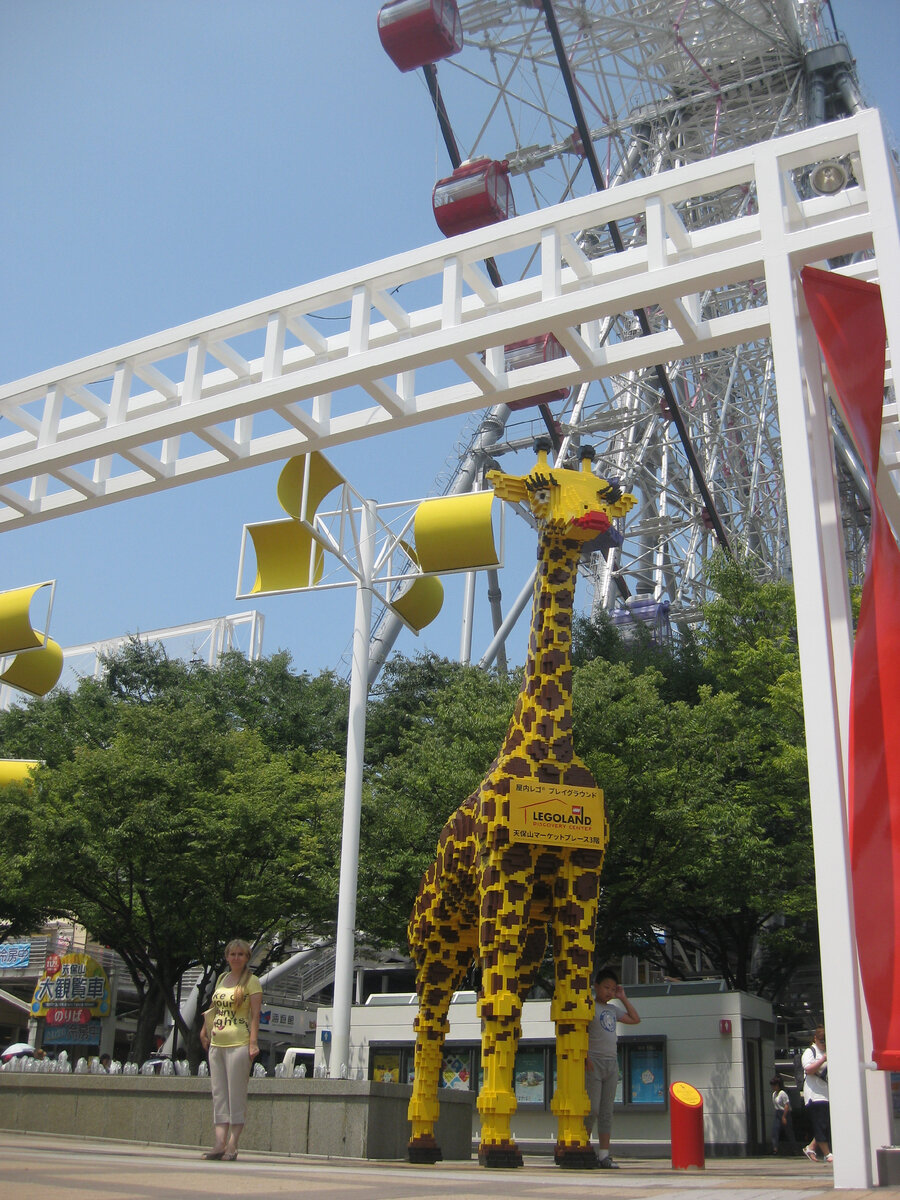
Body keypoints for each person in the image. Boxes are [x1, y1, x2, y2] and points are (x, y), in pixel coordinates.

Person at [199, 938, 262, 1161]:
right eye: (232, 954)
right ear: (227, 957)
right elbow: (214, 1008)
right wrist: (204, 1030)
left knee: (236, 1094)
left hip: (239, 1043)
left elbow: (256, 1015)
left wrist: (253, 1042)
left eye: (240, 954)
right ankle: (219, 1142)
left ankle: (233, 1144)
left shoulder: (252, 982)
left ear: (247, 958)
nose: (236, 958)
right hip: (217, 1042)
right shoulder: (222, 979)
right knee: (219, 1093)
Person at [584, 966, 641, 1168]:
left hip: (611, 1063)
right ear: (596, 986)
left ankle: (604, 1155)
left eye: (613, 989)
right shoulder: (589, 1006)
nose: (609, 992)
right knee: (592, 1109)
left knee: (606, 1111)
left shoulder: (612, 1009)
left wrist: (622, 997)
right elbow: (580, 1033)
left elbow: (635, 1019)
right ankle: (583, 1148)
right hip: (594, 1062)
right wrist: (585, 1057)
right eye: (606, 987)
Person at [801, 1025, 832, 1164]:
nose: (823, 1043)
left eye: (825, 1041)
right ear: (815, 1039)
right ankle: (827, 1154)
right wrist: (822, 1060)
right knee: (820, 1124)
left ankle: (811, 1148)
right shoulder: (810, 1052)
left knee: (825, 1123)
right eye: (821, 1040)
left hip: (826, 1094)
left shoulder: (828, 1051)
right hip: (814, 1094)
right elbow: (808, 1069)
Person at [770, 1075, 796, 1155]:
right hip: (778, 1112)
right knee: (775, 1130)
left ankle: (794, 1149)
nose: (773, 1087)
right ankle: (775, 1149)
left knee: (788, 1131)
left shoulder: (782, 1093)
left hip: (785, 1112)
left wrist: (784, 1117)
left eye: (774, 1085)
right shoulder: (774, 1094)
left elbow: (786, 1105)